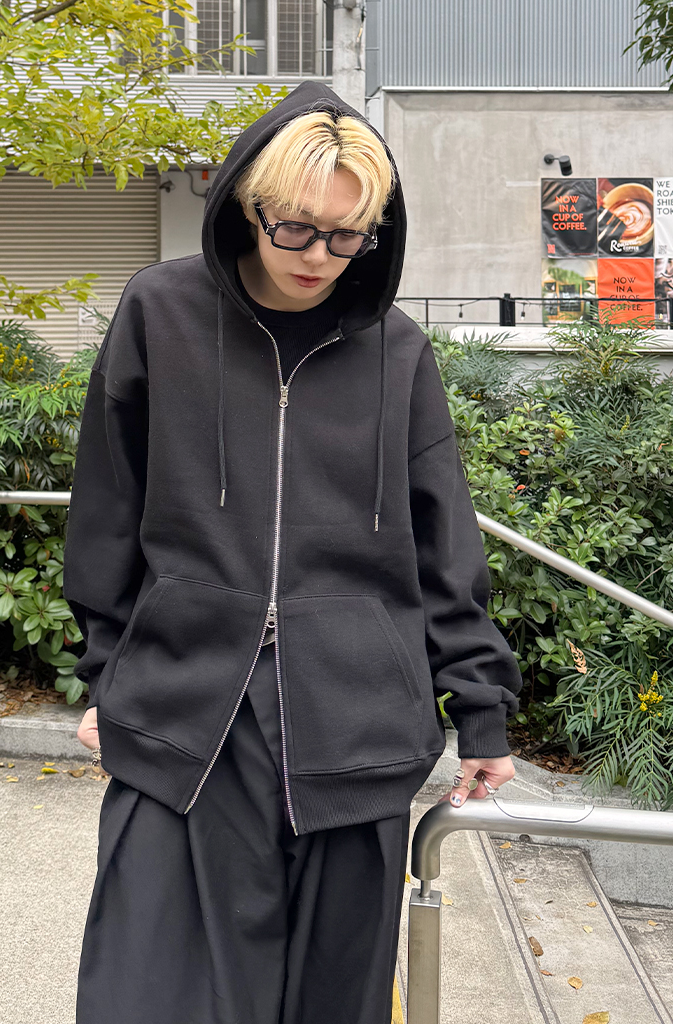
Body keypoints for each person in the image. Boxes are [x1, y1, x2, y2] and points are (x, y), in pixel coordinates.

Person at [65, 80, 521, 1024]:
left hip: (356, 727)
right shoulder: (160, 312)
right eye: (298, 229)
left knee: (330, 1004)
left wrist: (481, 709)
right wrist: (106, 671)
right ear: (249, 204)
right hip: (187, 709)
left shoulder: (397, 351)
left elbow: (442, 534)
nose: (319, 257)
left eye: (348, 236)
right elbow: (110, 505)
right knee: (152, 994)